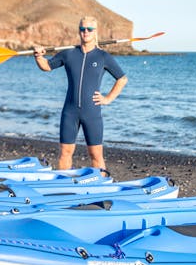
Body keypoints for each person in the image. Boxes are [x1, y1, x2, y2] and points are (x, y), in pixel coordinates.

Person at [33, 16, 128, 170]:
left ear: (95, 32)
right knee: (65, 153)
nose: (86, 32)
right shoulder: (68, 54)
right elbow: (47, 66)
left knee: (96, 155)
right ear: (79, 31)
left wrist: (107, 99)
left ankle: (100, 188)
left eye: (89, 29)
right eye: (82, 29)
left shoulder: (103, 57)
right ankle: (63, 187)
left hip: (92, 112)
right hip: (69, 112)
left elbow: (122, 79)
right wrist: (38, 56)